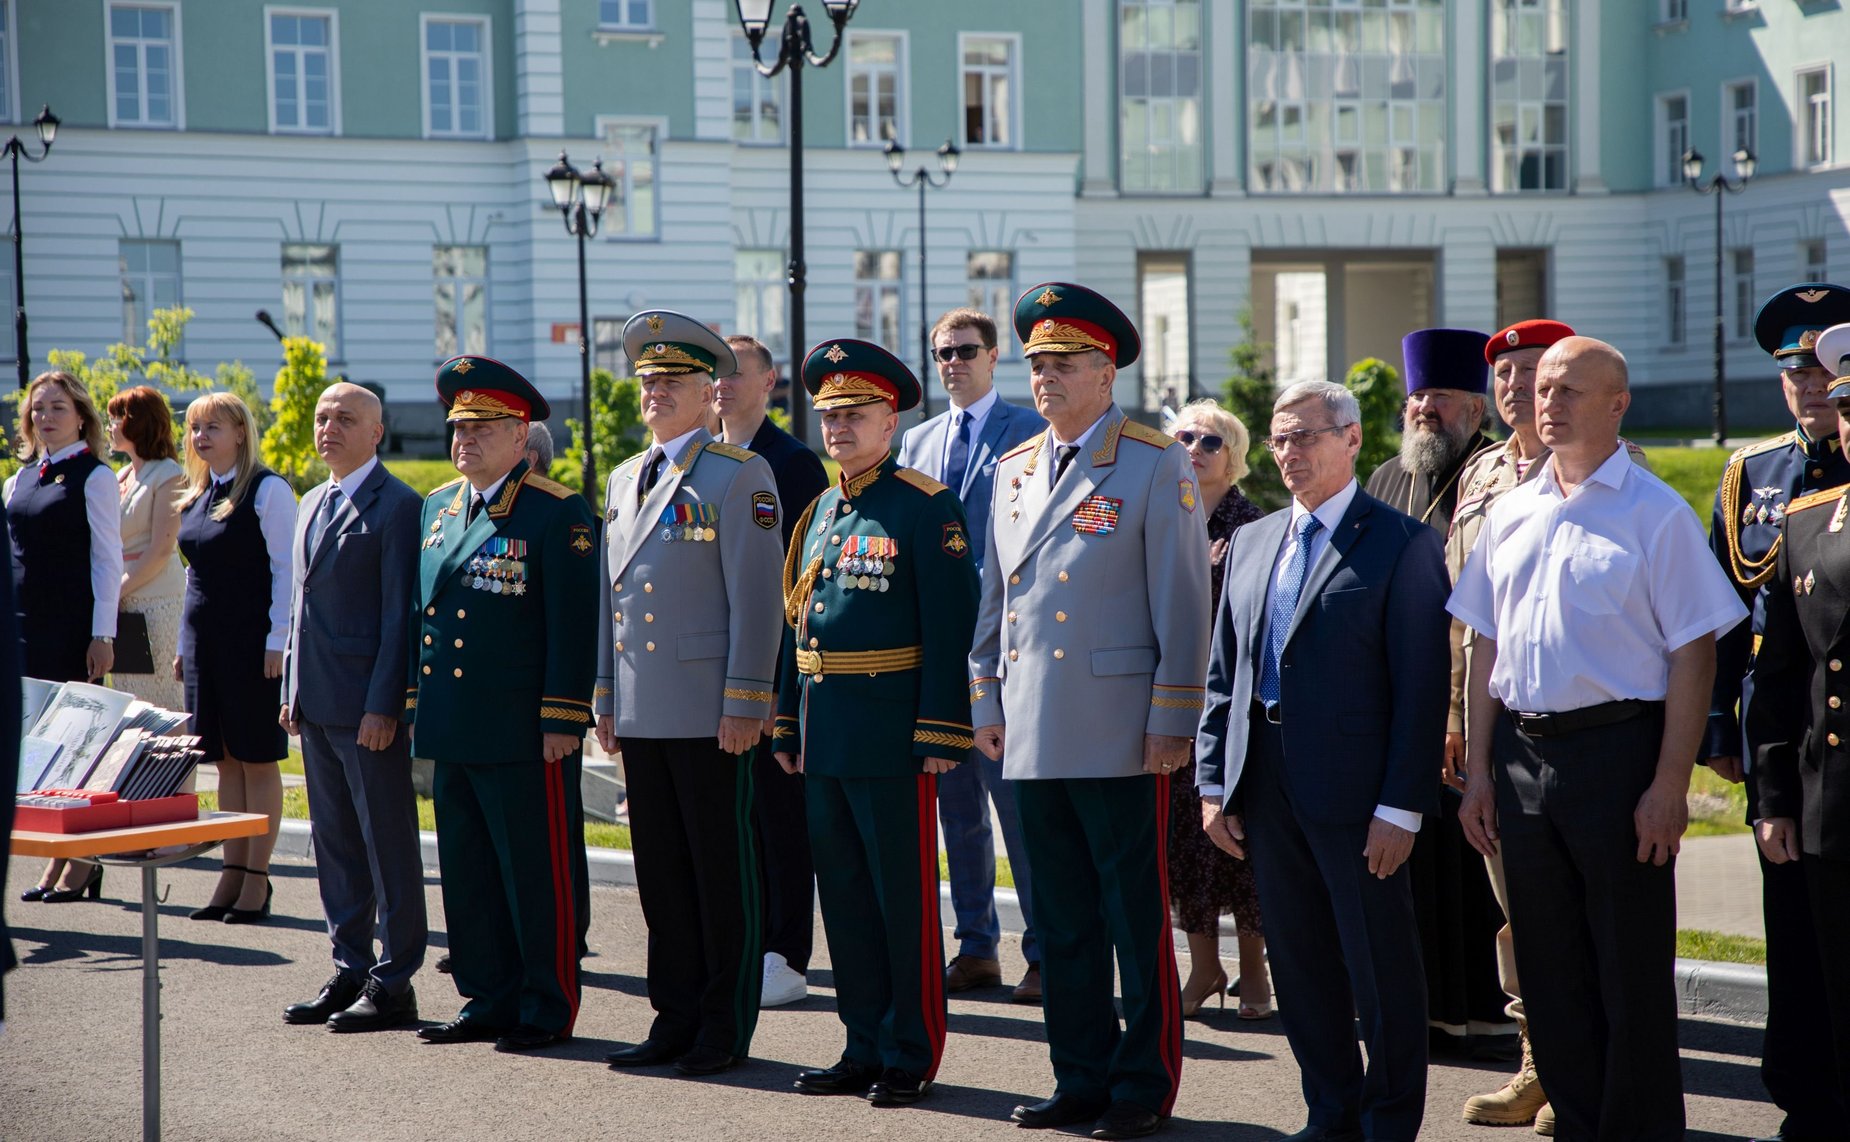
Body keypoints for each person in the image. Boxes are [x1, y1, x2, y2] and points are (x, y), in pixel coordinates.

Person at [1451, 337, 1747, 1141]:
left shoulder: (1655, 512)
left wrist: (1669, 784)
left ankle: (1639, 1127)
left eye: (1570, 389)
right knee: (1548, 966)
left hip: (1618, 753)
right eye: (1543, 388)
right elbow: (1484, 644)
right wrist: (1477, 771)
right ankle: (1579, 1122)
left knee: (1626, 961)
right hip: (1520, 754)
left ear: (1617, 404)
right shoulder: (1511, 508)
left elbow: (1696, 651)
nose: (1548, 401)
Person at [970, 282, 1208, 1140]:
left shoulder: (1152, 462)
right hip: (1031, 726)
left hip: (1118, 729)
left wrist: (1172, 722)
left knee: (1131, 918)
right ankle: (1079, 1076)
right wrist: (984, 698)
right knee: (1059, 920)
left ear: (1106, 373)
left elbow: (1184, 607)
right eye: (1035, 364)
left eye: (1063, 363)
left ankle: (1141, 1084)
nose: (1045, 379)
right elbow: (994, 601)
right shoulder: (1013, 469)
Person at [1197, 379, 1449, 1142]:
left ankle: (1388, 1120)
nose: (1290, 451)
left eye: (1307, 435)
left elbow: (1421, 688)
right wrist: (1214, 783)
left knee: (1380, 972)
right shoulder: (1252, 540)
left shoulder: (1402, 542)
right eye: (1280, 437)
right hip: (1266, 782)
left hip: (1360, 794)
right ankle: (1330, 1113)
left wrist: (1401, 807)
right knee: (1301, 965)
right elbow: (1224, 675)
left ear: (1351, 441)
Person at [774, 338, 979, 1106]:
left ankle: (909, 1051)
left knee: (902, 901)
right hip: (827, 733)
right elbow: (802, 627)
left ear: (889, 420)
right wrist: (790, 725)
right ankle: (861, 1043)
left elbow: (950, 623)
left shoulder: (925, 506)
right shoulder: (824, 507)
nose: (837, 428)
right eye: (829, 416)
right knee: (849, 901)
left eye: (854, 414)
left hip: (893, 734)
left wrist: (939, 731)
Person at [1447, 319, 1627, 1133]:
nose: (1517, 388)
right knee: (1513, 904)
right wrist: (1455, 719)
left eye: (1534, 372)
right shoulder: (1480, 475)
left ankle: (1584, 1070)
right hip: (1491, 721)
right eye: (1507, 375)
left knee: (1578, 909)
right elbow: (1467, 618)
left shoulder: (1606, 476)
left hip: (1585, 730)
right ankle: (1538, 1061)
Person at [595, 313, 783, 1077]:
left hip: (710, 710)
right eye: (647, 380)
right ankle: (671, 1016)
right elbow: (612, 599)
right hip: (643, 707)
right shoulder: (620, 477)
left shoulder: (739, 475)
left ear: (712, 393)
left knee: (719, 870)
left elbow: (757, 600)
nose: (655, 391)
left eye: (672, 381)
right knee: (661, 873)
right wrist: (605, 695)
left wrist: (746, 699)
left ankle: (721, 1025)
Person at [410, 356, 597, 1053]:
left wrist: (561, 717)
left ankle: (546, 1003)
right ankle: (487, 998)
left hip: (523, 729)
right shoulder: (439, 508)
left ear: (521, 436)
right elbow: (420, 615)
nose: (466, 438)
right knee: (468, 868)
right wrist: (412, 702)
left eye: (484, 426)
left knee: (533, 871)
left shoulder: (556, 511)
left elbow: (573, 627)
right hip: (454, 722)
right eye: (458, 426)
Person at [1706, 282, 1850, 1142]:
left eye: (1820, 369)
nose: (1805, 385)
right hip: (1785, 735)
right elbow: (1725, 614)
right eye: (1791, 370)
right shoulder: (1752, 475)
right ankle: (1802, 1089)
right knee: (1793, 928)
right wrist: (1726, 731)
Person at [1363, 328, 1511, 1061]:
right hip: (1397, 701)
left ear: (1476, 409)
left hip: (1470, 696)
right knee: (1413, 859)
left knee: (1467, 854)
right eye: (1418, 396)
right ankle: (1423, 1009)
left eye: (1442, 399)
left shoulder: (1493, 478)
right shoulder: (1388, 477)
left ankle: (1483, 1011)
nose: (1425, 410)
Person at [896, 307, 1046, 1003]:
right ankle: (976, 947)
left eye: (964, 351)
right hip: (934, 655)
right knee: (955, 809)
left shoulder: (1031, 432)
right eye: (941, 354)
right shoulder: (916, 442)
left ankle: (1043, 951)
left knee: (1016, 810)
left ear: (993, 359)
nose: (952, 362)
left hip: (1004, 656)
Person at [279, 382, 427, 1034]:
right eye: (321, 417)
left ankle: (395, 981)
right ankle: (349, 966)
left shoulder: (397, 506)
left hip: (367, 711)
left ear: (377, 431)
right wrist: (290, 690)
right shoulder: (313, 500)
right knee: (335, 847)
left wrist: (385, 704)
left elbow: (401, 617)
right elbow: (299, 609)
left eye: (344, 418)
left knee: (386, 846)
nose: (328, 427)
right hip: (315, 706)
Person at [1746, 319, 1850, 1141]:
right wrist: (1771, 791)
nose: (1838, 412)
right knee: (1817, 969)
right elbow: (1776, 671)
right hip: (1824, 794)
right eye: (1839, 403)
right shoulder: (1806, 518)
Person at [715, 332, 830, 1009]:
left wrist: (778, 690)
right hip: (716, 669)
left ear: (770, 383)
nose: (725, 385)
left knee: (779, 818)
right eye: (717, 375)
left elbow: (798, 584)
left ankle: (786, 952)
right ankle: (748, 939)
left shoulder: (791, 463)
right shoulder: (705, 456)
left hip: (775, 670)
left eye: (739, 373)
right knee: (734, 818)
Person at [1161, 399, 1270, 1021]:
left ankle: (1254, 969)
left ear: (1234, 460)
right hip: (1168, 706)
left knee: (1235, 841)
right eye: (1184, 438)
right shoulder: (1163, 516)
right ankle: (1204, 967)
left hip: (1232, 708)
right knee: (1182, 847)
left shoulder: (1251, 525)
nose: (1195, 450)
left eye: (1210, 442)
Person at [176, 392, 296, 923]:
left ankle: (256, 879)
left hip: (253, 643)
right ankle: (231, 871)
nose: (202, 437)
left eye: (214, 427)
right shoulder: (202, 491)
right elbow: (192, 577)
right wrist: (184, 647)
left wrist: (278, 642)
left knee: (256, 757)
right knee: (223, 759)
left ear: (241, 432)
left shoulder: (267, 490)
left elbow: (287, 572)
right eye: (196, 428)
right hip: (206, 643)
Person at [8, 372, 120, 906]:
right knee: (40, 746)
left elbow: (107, 559)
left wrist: (104, 632)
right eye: (37, 409)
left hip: (72, 627)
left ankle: (81, 862)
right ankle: (57, 857)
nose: (45, 417)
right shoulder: (20, 478)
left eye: (57, 407)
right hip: (24, 625)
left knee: (78, 746)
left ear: (80, 415)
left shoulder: (94, 475)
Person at [108, 385, 186, 711]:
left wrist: (114, 594)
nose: (109, 426)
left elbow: (160, 549)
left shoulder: (168, 474)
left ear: (135, 422)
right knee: (133, 705)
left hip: (158, 604)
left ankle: (174, 767)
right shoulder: (120, 475)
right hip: (123, 608)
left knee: (165, 706)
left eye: (115, 418)